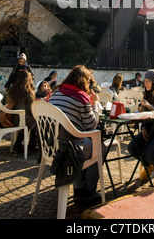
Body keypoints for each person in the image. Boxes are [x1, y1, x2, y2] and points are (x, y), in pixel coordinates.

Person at [49, 65, 103, 204]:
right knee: (98, 146)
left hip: (50, 146)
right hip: (68, 147)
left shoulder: (56, 92)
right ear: (84, 81)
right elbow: (91, 125)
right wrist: (95, 104)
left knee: (84, 142)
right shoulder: (81, 98)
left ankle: (79, 189)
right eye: (89, 81)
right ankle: (87, 191)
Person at [5, 70, 37, 153]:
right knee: (38, 121)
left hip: (10, 117)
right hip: (20, 118)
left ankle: (18, 144)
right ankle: (31, 147)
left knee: (29, 122)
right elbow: (31, 109)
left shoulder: (12, 89)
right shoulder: (28, 92)